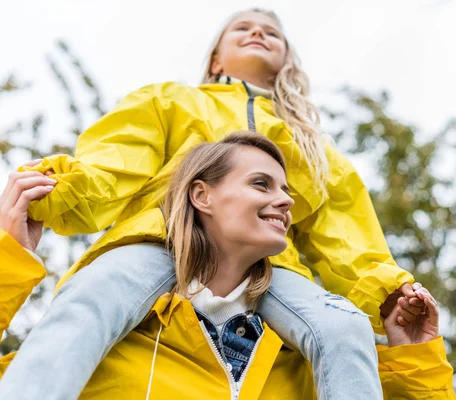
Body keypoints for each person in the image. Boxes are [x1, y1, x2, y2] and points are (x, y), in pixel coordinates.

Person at [1, 8, 426, 400]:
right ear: (216, 60)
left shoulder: (313, 148)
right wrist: (62, 189)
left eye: (272, 33)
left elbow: (346, 230)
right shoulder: (170, 101)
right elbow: (117, 161)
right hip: (164, 239)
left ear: (287, 64)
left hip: (268, 269)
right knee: (92, 296)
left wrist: (387, 288)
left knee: (344, 326)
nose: (258, 31)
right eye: (242, 27)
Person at [0, 134, 455, 399]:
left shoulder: (310, 366)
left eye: (287, 192)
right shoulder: (86, 344)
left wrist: (416, 357)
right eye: (261, 184)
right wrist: (8, 259)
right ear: (202, 196)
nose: (285, 200)